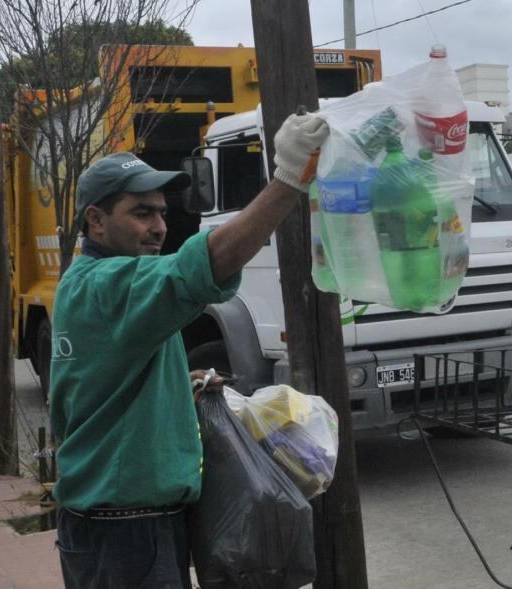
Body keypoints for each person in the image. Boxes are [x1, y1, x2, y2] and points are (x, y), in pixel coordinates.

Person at [49, 112, 330, 588]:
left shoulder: (98, 287)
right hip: (126, 530)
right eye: (141, 213)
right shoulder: (106, 285)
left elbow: (108, 383)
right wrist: (287, 180)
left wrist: (184, 385)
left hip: (121, 523)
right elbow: (202, 266)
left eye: (161, 212)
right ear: (95, 221)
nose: (160, 226)